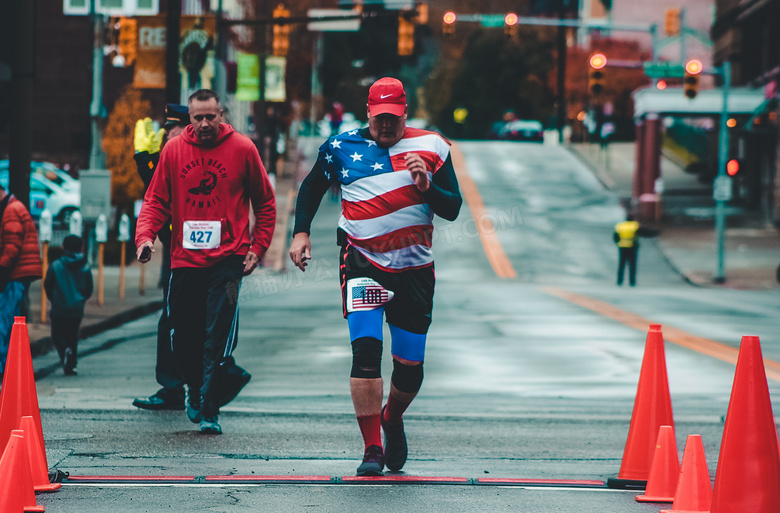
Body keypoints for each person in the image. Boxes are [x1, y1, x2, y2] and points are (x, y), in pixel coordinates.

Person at [289, 77, 462, 475]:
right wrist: (301, 233)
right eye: (380, 118)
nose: (386, 126)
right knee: (366, 356)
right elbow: (312, 187)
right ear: (368, 112)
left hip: (414, 269)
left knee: (410, 370)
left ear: (405, 113)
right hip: (362, 261)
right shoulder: (340, 146)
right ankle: (371, 449)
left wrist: (427, 185)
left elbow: (452, 209)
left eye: (394, 118)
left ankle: (392, 418)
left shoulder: (432, 146)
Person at [136, 89, 276, 435]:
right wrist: (145, 238)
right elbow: (155, 200)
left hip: (228, 260)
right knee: (181, 334)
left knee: (217, 333)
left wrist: (257, 248)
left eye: (209, 117)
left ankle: (209, 407)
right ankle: (196, 389)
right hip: (185, 259)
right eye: (197, 118)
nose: (203, 124)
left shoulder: (242, 149)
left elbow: (265, 204)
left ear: (221, 114)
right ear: (190, 117)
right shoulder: (174, 150)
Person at [131, 104, 189, 410]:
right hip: (176, 252)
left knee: (197, 322)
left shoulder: (189, 157)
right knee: (171, 320)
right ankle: (173, 387)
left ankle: (191, 387)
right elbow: (156, 200)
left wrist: (149, 164)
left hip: (202, 255)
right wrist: (147, 164)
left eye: (172, 128)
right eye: (165, 129)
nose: (166, 133)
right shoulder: (169, 157)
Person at [0, 182, 42, 375]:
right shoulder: (16, 206)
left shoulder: (11, 210)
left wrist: (2, 266)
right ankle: (11, 363)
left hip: (16, 272)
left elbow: (12, 245)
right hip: (22, 271)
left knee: (6, 318)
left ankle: (5, 365)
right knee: (13, 318)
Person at [43, 235, 93, 376]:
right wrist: (81, 299)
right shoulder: (85, 266)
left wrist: (54, 299)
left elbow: (48, 285)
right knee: (72, 335)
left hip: (59, 307)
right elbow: (89, 288)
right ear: (81, 248)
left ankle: (65, 351)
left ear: (63, 247)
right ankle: (71, 364)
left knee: (57, 334)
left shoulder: (56, 265)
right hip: (77, 308)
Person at [613, 214, 640, 286]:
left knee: (621, 265)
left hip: (622, 247)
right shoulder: (634, 226)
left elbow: (615, 237)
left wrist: (618, 243)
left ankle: (619, 281)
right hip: (632, 247)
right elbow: (642, 232)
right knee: (632, 265)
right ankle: (632, 281)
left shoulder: (620, 226)